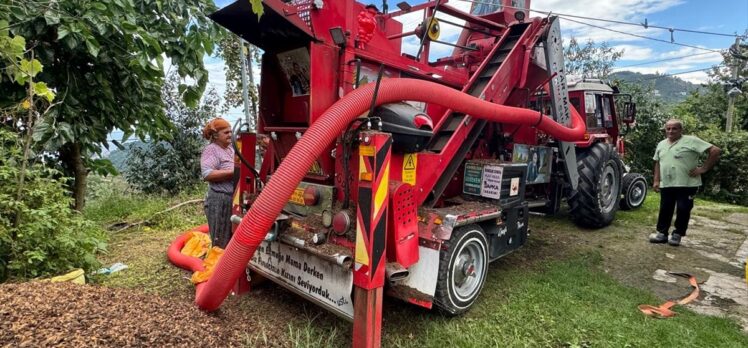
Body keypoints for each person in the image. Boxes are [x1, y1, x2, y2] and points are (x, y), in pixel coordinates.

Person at [649, 119, 721, 246]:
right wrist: (656, 180)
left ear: (681, 130)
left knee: (683, 208)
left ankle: (677, 234)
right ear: (665, 130)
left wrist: (703, 168)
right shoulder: (661, 144)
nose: (671, 131)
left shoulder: (691, 140)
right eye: (668, 128)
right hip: (667, 183)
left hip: (687, 183)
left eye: (674, 128)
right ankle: (662, 234)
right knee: (665, 208)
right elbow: (657, 162)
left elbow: (715, 150)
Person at [200, 118, 235, 248]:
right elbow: (207, 174)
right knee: (221, 237)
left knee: (232, 235)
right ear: (215, 135)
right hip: (220, 199)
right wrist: (233, 172)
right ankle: (218, 265)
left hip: (233, 197)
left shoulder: (231, 148)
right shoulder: (212, 150)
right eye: (226, 133)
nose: (230, 135)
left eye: (231, 131)